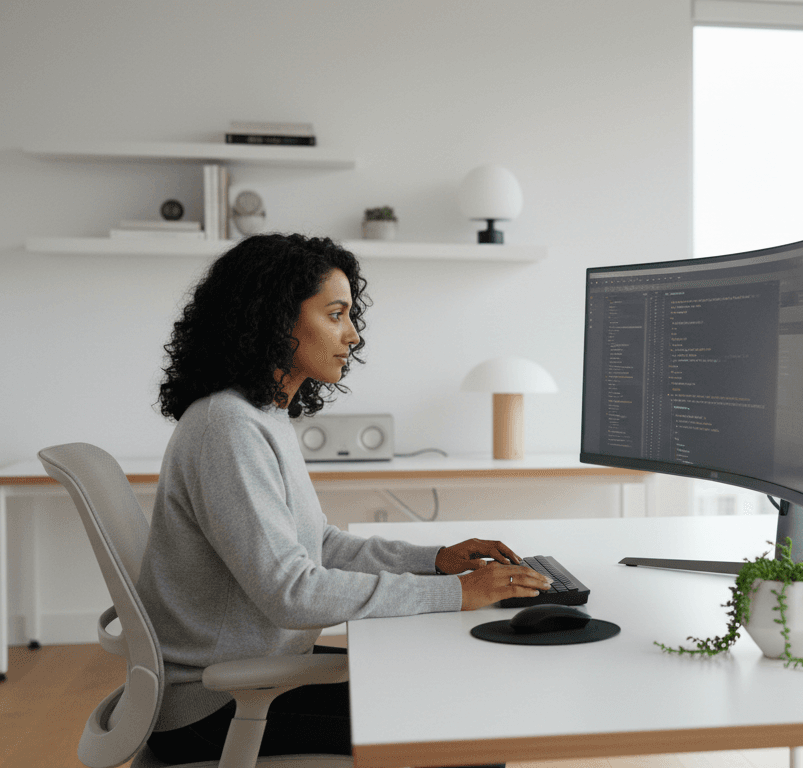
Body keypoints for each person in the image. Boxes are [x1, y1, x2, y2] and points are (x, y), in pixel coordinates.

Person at [137, 233, 548, 765]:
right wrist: (458, 595)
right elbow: (293, 592)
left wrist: (438, 563)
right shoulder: (228, 427)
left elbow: (319, 545)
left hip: (252, 680)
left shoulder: (260, 415)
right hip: (214, 707)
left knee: (458, 700)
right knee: (467, 736)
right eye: (335, 314)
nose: (352, 335)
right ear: (275, 319)